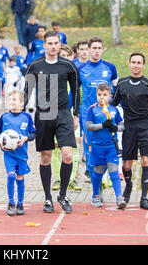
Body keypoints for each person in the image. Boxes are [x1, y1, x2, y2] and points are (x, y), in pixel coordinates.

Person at [25, 31, 80, 213]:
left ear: (59, 43)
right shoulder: (34, 65)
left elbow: (76, 91)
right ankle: (48, 198)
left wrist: (76, 115)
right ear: (44, 45)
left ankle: (63, 195)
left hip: (64, 114)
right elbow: (27, 92)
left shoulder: (68, 65)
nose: (53, 46)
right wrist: (22, 116)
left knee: (67, 155)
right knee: (46, 156)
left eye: (56, 43)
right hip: (43, 115)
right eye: (50, 43)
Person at [110, 52, 148, 210]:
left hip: (145, 126)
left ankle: (144, 197)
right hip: (129, 127)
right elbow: (114, 103)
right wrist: (102, 105)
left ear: (143, 65)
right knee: (127, 165)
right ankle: (128, 187)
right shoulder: (122, 83)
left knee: (146, 160)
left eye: (139, 63)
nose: (135, 65)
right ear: (129, 64)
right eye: (133, 62)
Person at [77, 37, 118, 187]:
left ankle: (102, 176)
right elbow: (75, 92)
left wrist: (113, 108)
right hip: (87, 113)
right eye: (93, 48)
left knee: (106, 144)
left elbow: (116, 90)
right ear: (88, 50)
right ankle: (95, 179)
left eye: (99, 48)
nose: (96, 51)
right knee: (90, 146)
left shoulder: (110, 68)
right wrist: (75, 113)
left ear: (102, 49)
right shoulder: (81, 69)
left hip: (105, 114)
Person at [86, 83, 126, 209]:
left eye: (105, 95)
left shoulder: (114, 110)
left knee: (113, 170)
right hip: (97, 147)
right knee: (98, 172)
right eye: (99, 95)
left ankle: (119, 198)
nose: (102, 97)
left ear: (110, 96)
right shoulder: (92, 109)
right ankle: (96, 195)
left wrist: (115, 127)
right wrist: (102, 125)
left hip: (111, 147)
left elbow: (122, 126)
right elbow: (89, 126)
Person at [0, 90, 36, 216]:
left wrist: (25, 138)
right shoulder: (4, 117)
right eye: (10, 100)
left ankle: (20, 203)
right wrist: (0, 141)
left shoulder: (27, 117)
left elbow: (33, 133)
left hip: (22, 155)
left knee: (20, 178)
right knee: (11, 176)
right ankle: (10, 202)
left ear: (22, 103)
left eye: (14, 100)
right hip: (8, 154)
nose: (11, 102)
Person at [51, 45, 81, 192]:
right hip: (57, 117)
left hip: (72, 116)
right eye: (62, 55)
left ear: (72, 58)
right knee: (56, 149)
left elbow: (78, 96)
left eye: (68, 56)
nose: (65, 58)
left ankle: (71, 179)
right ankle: (58, 178)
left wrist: (77, 115)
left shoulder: (75, 75)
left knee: (73, 147)